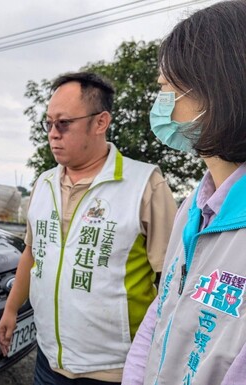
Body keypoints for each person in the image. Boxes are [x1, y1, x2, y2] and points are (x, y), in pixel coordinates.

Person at [0, 72, 177, 385]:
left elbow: (172, 277)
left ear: (100, 122)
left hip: (115, 370)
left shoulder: (144, 186)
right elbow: (31, 252)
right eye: (48, 123)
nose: (53, 134)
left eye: (63, 123)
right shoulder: (44, 184)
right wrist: (11, 309)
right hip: (48, 361)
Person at [122, 1, 246, 384]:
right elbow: (163, 310)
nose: (159, 105)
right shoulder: (195, 205)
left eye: (165, 90)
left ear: (218, 89)